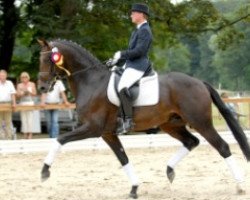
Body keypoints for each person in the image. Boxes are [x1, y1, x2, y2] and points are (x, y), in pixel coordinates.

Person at [109, 3, 153, 134]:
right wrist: (116, 60)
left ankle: (128, 121)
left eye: (133, 13)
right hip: (130, 64)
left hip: (138, 65)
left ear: (141, 14)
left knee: (122, 86)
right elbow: (131, 51)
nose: (131, 15)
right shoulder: (137, 30)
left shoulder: (145, 30)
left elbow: (139, 51)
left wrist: (121, 54)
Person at [16, 72, 37, 139]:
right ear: (21, 78)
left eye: (25, 77)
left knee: (30, 119)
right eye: (22, 77)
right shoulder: (19, 85)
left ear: (28, 77)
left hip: (30, 102)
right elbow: (17, 95)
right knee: (23, 119)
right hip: (22, 103)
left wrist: (29, 91)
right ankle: (25, 133)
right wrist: (22, 93)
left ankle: (30, 134)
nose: (24, 78)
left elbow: (35, 93)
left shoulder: (32, 84)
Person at [0, 69, 16, 139]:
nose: (2, 76)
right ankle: (1, 138)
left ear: (6, 76)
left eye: (3, 75)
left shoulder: (9, 83)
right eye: (0, 75)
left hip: (8, 104)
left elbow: (12, 94)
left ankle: (9, 137)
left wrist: (14, 103)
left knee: (8, 122)